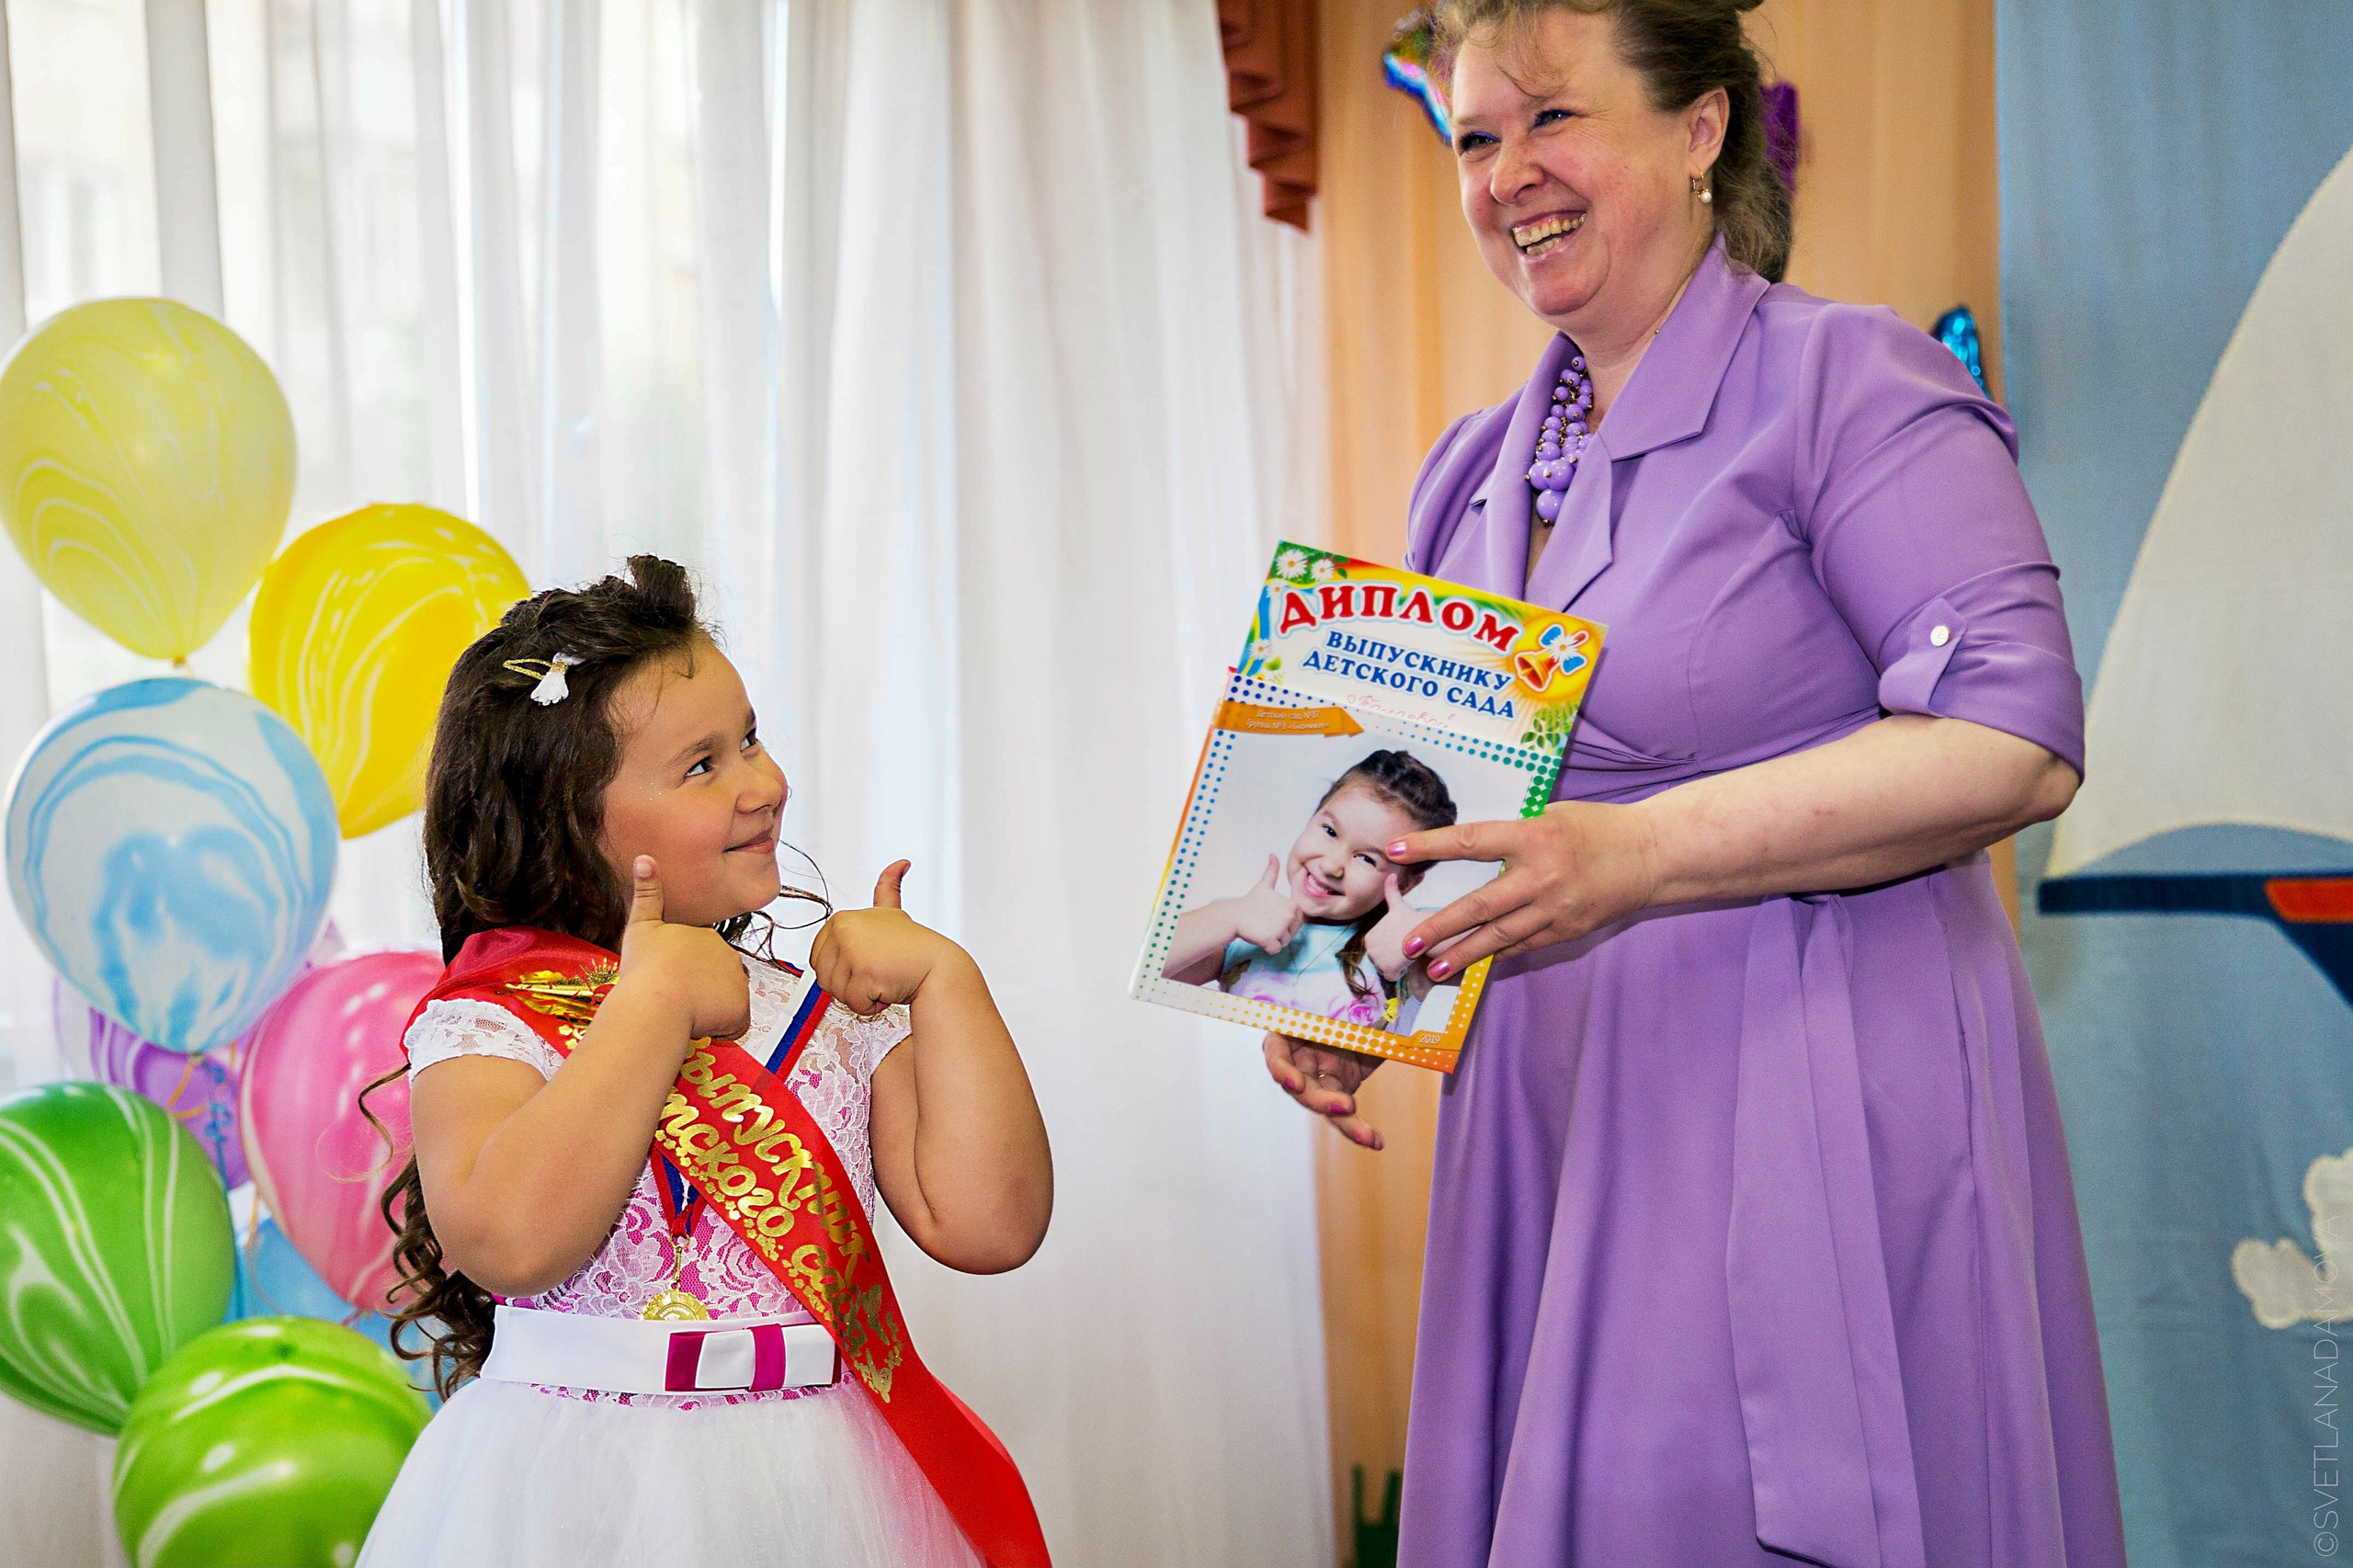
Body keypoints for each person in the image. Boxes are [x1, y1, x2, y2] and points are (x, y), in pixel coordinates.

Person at [1261, 3, 2129, 1565]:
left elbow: (2018, 737)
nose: (1506, 175)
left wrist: (1640, 854)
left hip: (1800, 1097)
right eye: (1473, 137)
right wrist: (1342, 989)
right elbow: (1427, 807)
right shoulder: (1464, 471)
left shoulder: (1848, 387)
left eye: (1550, 120)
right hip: (1545, 1118)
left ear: (1702, 127)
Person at [358, 558, 1053, 1568]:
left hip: (826, 1483)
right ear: (564, 819)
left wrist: (948, 983)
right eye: (702, 765)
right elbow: (508, 1241)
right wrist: (650, 1004)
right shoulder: (493, 1014)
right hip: (574, 1492)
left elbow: (991, 1223)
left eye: (753, 738)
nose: (763, 784)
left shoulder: (823, 1003)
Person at [1161, 749, 1455, 1032]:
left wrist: (1418, 935)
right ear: (1312, 817)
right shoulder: (1241, 929)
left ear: (1405, 884)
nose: (1331, 866)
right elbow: (1148, 968)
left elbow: (1490, 943)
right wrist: (1227, 918)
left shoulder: (1396, 947)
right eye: (1329, 831)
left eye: (1367, 858)